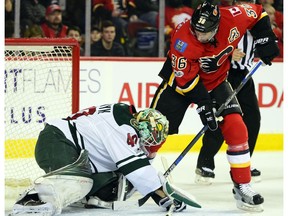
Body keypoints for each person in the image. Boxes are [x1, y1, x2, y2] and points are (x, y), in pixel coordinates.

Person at [150, 1, 279, 212]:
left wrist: (266, 39)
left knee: (237, 128)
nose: (200, 37)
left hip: (216, 82)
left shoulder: (233, 17)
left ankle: (242, 185)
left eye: (206, 33)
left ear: (218, 26)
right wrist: (204, 107)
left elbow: (257, 13)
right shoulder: (183, 38)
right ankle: (135, 174)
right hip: (180, 86)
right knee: (154, 130)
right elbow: (187, 81)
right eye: (197, 31)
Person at [11, 103, 188, 215]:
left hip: (75, 149)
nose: (149, 147)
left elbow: (134, 170)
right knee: (77, 182)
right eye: (151, 140)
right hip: (57, 141)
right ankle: (33, 197)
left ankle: (79, 195)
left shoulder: (128, 117)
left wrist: (157, 192)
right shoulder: (122, 128)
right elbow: (137, 169)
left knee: (115, 186)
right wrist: (164, 195)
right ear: (143, 129)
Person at [195, 0, 262, 185]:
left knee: (253, 119)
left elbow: (267, 39)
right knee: (222, 118)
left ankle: (244, 163)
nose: (247, 4)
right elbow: (209, 43)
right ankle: (205, 164)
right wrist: (228, 53)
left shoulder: (258, 20)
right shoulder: (226, 17)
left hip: (245, 75)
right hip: (224, 74)